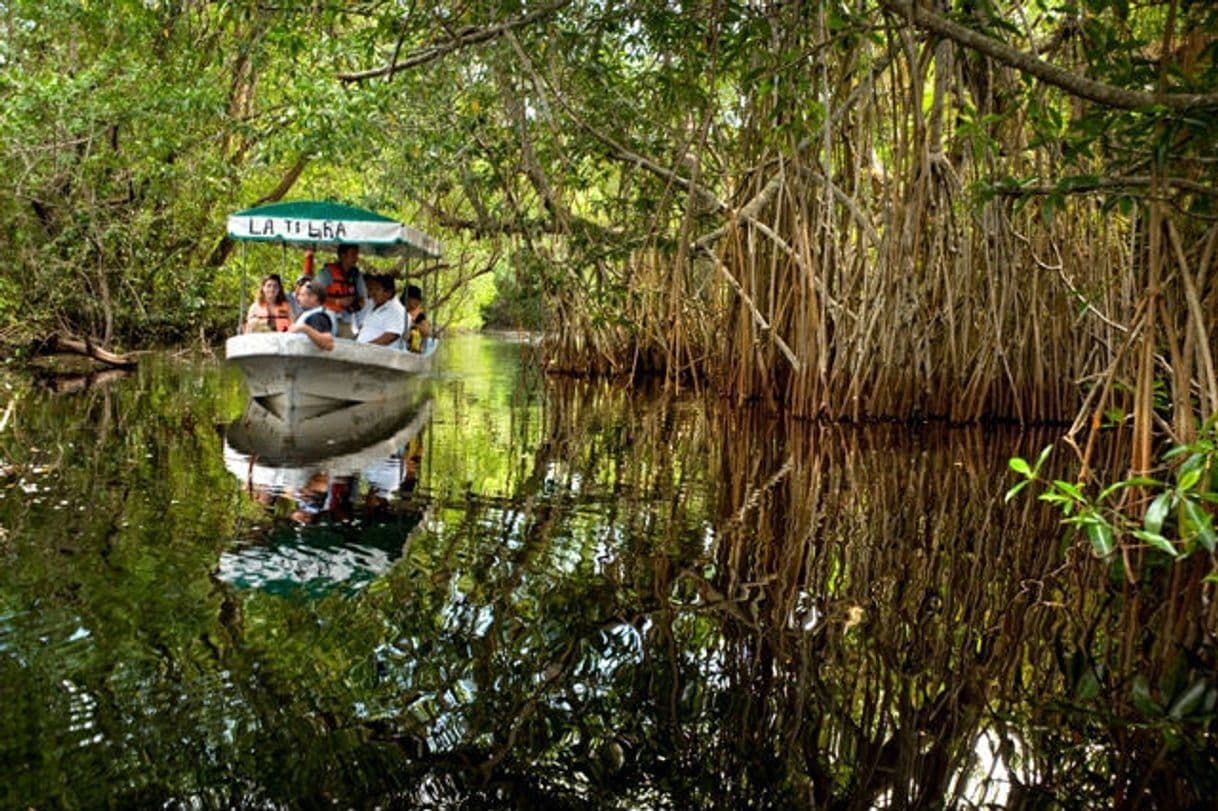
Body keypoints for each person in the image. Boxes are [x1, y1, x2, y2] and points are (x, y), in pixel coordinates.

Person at [314, 244, 367, 339]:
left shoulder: (356, 275)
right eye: (353, 254)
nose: (356, 258)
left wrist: (353, 305)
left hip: (347, 319)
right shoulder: (327, 272)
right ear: (343, 255)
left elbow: (363, 298)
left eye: (357, 254)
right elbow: (314, 294)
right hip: (326, 316)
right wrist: (337, 301)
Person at [356, 274, 408, 349]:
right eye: (372, 289)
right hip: (361, 353)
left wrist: (365, 348)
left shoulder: (397, 311)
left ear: (388, 293)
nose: (373, 293)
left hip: (379, 357)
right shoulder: (373, 305)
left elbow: (389, 337)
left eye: (377, 289)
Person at [288, 281, 335, 351]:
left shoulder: (317, 317)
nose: (298, 298)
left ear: (313, 297)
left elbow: (328, 344)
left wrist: (304, 328)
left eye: (302, 295)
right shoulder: (309, 315)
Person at [403, 284, 430, 352]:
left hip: (410, 345)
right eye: (415, 299)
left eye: (419, 300)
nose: (418, 302)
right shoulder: (397, 308)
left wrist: (413, 325)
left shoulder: (419, 315)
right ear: (407, 298)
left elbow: (426, 332)